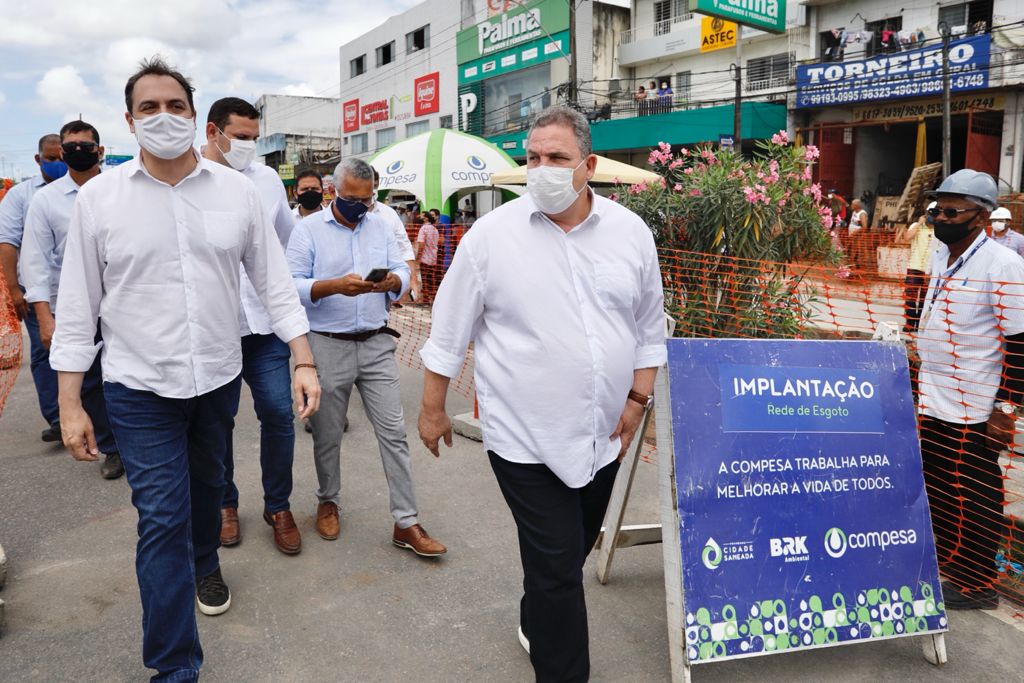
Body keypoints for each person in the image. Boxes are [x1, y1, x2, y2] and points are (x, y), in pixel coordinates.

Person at [49, 57, 320, 682]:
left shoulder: (238, 195)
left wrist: (301, 357)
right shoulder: (100, 200)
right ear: (128, 120)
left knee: (205, 495)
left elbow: (275, 285)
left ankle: (206, 559)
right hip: (139, 388)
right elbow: (77, 309)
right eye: (149, 107)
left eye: (175, 106)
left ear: (195, 118)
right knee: (161, 519)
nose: (163, 117)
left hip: (218, 380)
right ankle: (174, 668)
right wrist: (70, 403)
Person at [418, 106, 666, 681]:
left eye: (556, 158)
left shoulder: (631, 233)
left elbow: (649, 326)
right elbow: (449, 328)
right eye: (532, 158)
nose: (542, 169)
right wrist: (432, 410)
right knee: (558, 571)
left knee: (568, 552)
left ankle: (536, 614)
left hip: (604, 436)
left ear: (589, 165)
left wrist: (635, 401)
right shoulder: (491, 237)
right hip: (523, 438)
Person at [286, 157, 445, 557]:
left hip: (376, 343)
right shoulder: (307, 231)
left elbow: (402, 269)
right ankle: (328, 500)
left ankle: (406, 522)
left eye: (368, 198)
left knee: (393, 433)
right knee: (327, 434)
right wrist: (332, 286)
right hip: (326, 343)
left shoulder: (384, 222)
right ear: (333, 193)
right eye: (352, 199)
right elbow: (291, 287)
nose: (361, 206)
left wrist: (395, 282)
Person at [916, 169, 1024, 611]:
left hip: (975, 406)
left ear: (980, 218)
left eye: (951, 210)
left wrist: (1007, 408)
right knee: (940, 485)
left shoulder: (1003, 264)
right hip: (935, 398)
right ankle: (951, 564)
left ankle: (978, 583)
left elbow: (1019, 341)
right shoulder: (943, 254)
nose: (941, 216)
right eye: (937, 208)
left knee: (974, 490)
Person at [201, 97, 304, 556]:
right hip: (214, 329)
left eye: (253, 138)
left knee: (280, 416)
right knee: (216, 424)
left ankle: (277, 505)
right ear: (213, 132)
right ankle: (224, 503)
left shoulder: (265, 181)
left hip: (264, 328)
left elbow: (277, 241)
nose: (248, 146)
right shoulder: (191, 180)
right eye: (240, 137)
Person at [19, 120, 123, 480]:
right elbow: (34, 263)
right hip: (75, 305)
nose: (78, 151)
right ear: (62, 152)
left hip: (123, 301)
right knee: (90, 380)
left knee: (128, 374)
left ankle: (140, 437)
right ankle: (112, 448)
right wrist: (45, 317)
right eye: (71, 146)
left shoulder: (119, 189)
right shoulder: (45, 201)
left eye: (86, 145)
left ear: (100, 150)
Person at [0, 133, 65, 442]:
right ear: (38, 159)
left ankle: (93, 413)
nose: (57, 164)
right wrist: (14, 289)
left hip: (76, 289)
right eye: (50, 159)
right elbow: (8, 243)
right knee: (45, 352)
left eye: (61, 157)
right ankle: (57, 417)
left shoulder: (84, 189)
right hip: (38, 292)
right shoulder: (21, 196)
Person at [371, 167, 419, 302]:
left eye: (374, 185)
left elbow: (404, 248)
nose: (371, 189)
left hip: (380, 285)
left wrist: (412, 280)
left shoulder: (388, 214)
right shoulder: (344, 215)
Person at [895, 202, 935, 331]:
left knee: (925, 298)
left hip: (930, 270)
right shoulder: (917, 226)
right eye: (930, 213)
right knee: (910, 296)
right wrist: (919, 223)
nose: (932, 216)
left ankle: (920, 323)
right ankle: (910, 323)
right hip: (915, 266)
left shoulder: (940, 229)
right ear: (926, 213)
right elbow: (907, 237)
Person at [416, 210, 442, 301]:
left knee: (425, 279)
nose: (419, 217)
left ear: (426, 218)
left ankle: (426, 299)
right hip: (433, 258)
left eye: (421, 216)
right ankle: (434, 297)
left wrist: (418, 257)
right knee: (432, 279)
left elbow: (421, 245)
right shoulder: (435, 229)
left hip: (425, 258)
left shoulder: (423, 229)